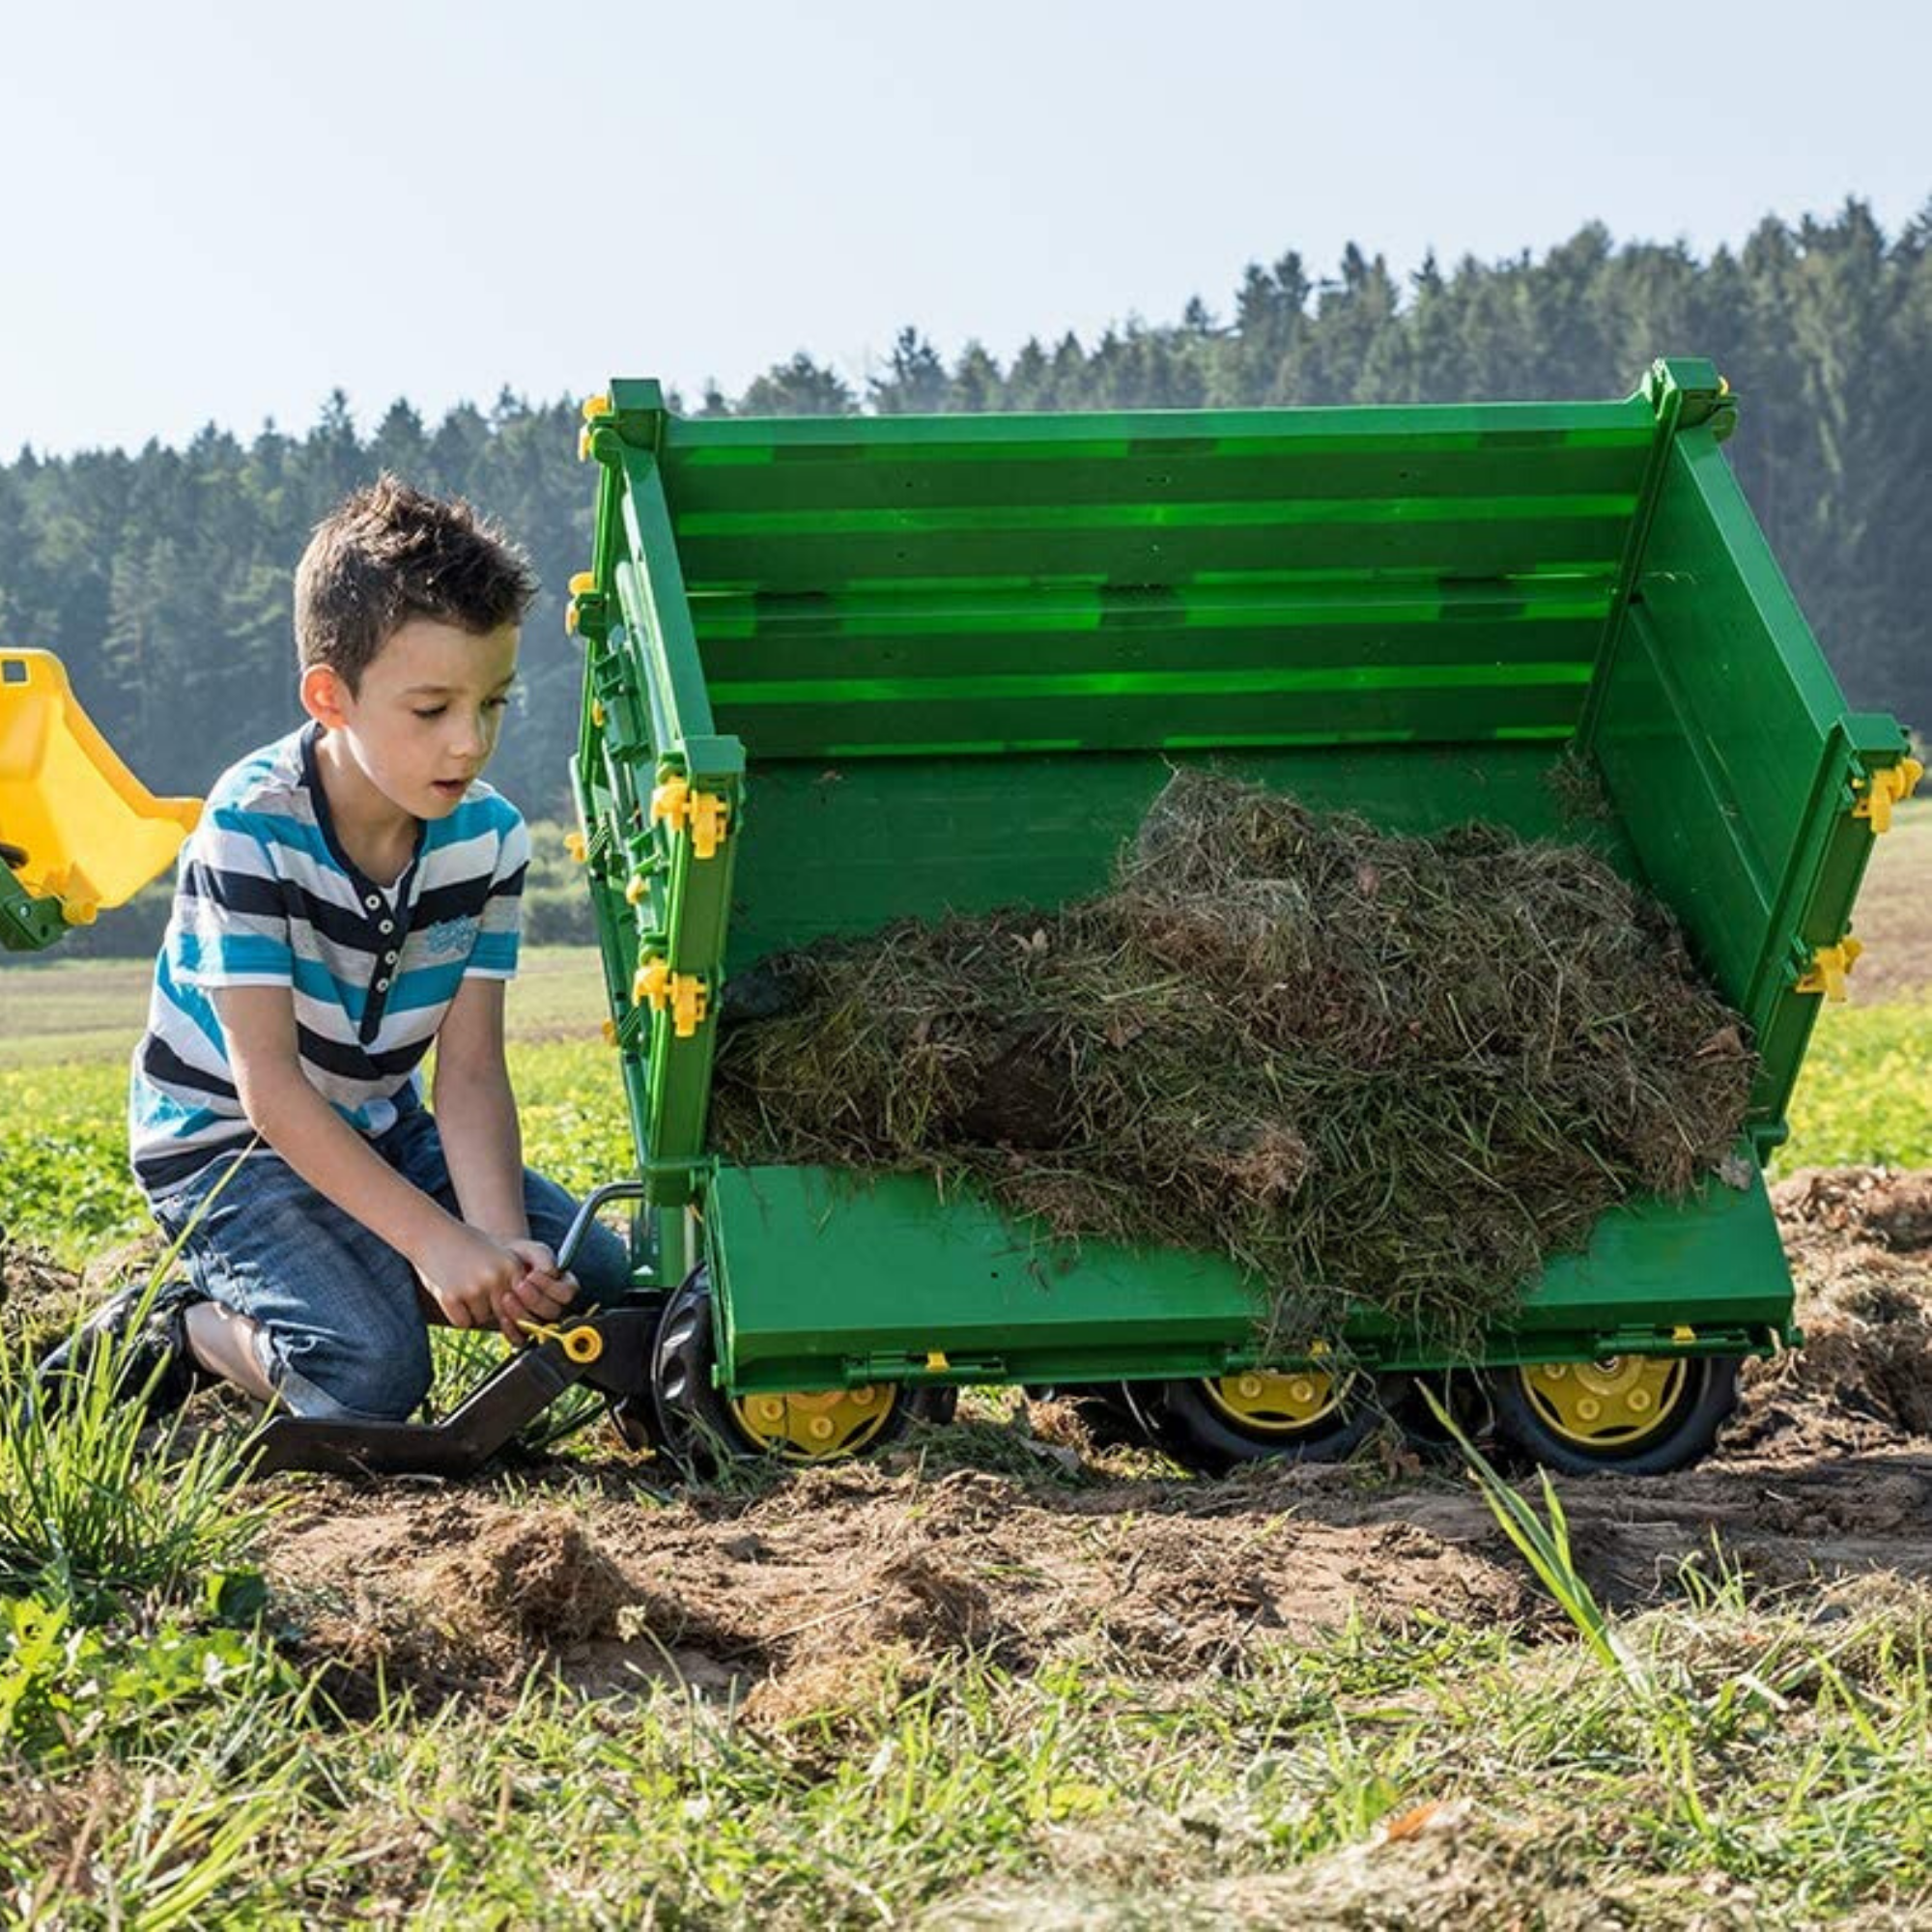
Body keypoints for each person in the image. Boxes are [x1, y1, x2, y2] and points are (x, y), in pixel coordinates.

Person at [42, 476, 631, 1422]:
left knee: (598, 1278)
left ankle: (362, 1272)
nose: (469, 740)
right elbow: (268, 1089)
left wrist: (492, 1242)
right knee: (368, 1375)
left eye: (493, 703)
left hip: (376, 1127)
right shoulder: (248, 826)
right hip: (225, 1145)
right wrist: (435, 1244)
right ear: (331, 695)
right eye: (431, 708)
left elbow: (470, 1074)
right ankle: (178, 1331)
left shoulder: (489, 839)